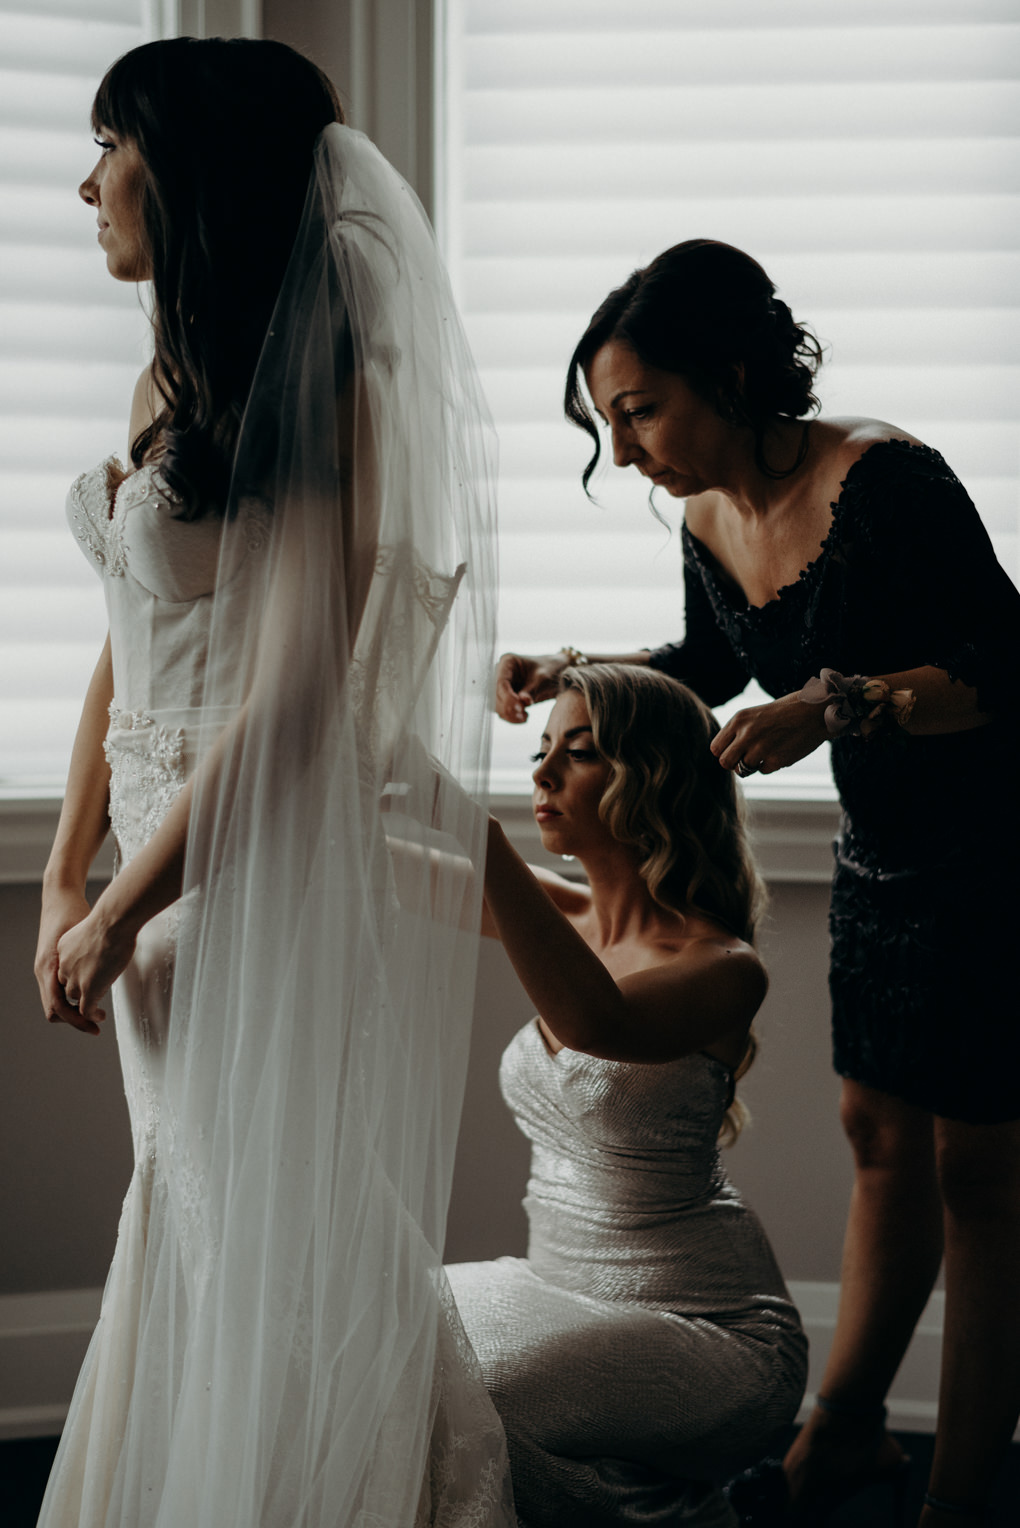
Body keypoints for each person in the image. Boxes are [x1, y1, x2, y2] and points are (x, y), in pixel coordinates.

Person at [33, 37, 514, 1528]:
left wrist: (121, 905)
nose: (85, 180)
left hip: (245, 866)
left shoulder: (327, 387)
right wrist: (68, 864)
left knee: (279, 1220)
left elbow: (300, 695)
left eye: (109, 143)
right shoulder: (159, 389)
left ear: (185, 175)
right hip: (143, 867)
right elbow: (127, 644)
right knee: (198, 1212)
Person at [494, 239, 1020, 1527]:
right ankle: (841, 1437)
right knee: (876, 1139)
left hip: (1000, 848)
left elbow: (1004, 670)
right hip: (883, 857)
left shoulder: (886, 481)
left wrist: (839, 705)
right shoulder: (704, 511)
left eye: (638, 409)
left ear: (730, 373)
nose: (625, 449)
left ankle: (961, 1498)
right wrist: (567, 664)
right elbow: (707, 668)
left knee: (981, 1177)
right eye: (607, 421)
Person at [446, 663, 807, 1527]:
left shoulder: (723, 969)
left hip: (712, 1330)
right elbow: (382, 868)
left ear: (654, 778)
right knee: (370, 1334)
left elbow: (589, 1019)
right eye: (541, 752)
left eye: (579, 754)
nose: (540, 775)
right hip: (555, 1292)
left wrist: (473, 827)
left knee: (463, 1397)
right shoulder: (568, 921)